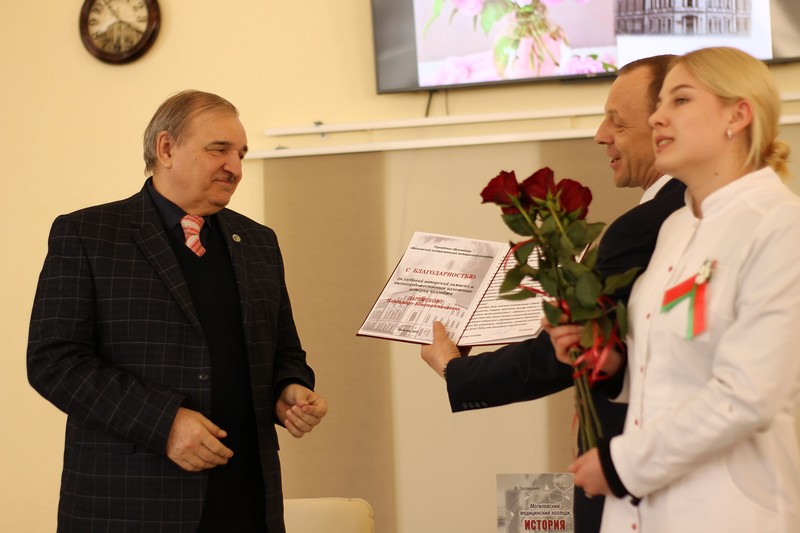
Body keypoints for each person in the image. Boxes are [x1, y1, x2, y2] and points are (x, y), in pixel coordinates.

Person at [27, 90, 328, 532]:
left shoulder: (259, 242)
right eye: (219, 149)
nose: (235, 167)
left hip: (246, 502)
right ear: (166, 148)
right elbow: (53, 361)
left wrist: (288, 388)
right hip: (129, 505)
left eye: (241, 154)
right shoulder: (88, 235)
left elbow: (284, 350)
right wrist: (164, 422)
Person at [420, 55, 684, 533]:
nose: (601, 135)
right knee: (525, 513)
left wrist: (454, 369)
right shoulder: (681, 212)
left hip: (634, 468)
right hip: (642, 461)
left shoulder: (648, 224)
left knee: (525, 515)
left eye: (617, 122)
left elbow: (564, 356)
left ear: (664, 126)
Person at [549, 47, 800, 532]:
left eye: (680, 101)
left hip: (725, 512)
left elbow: (749, 394)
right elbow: (670, 369)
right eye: (659, 103)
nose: (658, 117)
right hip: (640, 514)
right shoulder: (676, 227)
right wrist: (609, 360)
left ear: (738, 115)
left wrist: (621, 466)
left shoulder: (780, 225)